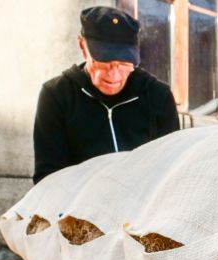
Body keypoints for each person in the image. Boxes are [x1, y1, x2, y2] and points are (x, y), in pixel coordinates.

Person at [33, 6, 179, 184]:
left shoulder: (158, 97)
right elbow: (48, 177)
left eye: (124, 64)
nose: (113, 74)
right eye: (104, 62)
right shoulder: (56, 95)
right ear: (82, 46)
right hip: (77, 206)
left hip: (144, 207)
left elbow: (171, 171)